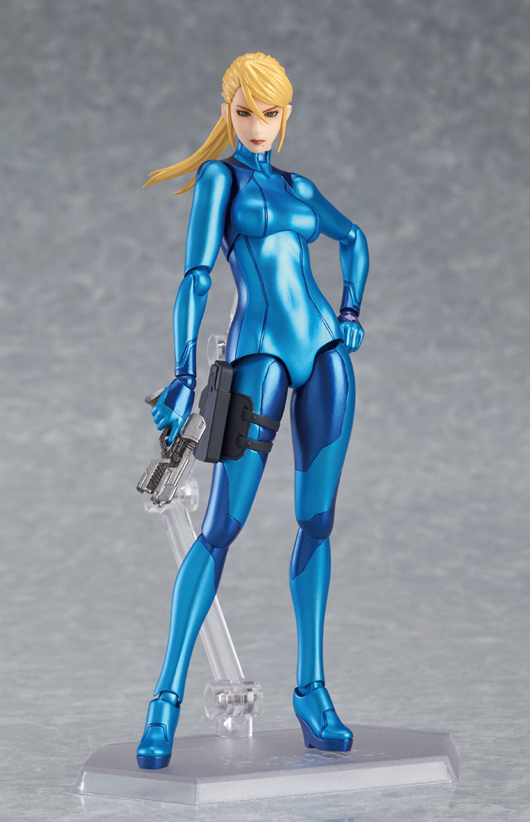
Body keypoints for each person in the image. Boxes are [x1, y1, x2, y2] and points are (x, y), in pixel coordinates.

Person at [137, 52, 369, 769]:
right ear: (227, 111)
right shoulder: (221, 180)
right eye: (246, 111)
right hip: (256, 359)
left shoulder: (300, 188)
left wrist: (351, 309)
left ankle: (312, 691)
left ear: (285, 115)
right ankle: (165, 701)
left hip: (323, 353)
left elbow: (353, 239)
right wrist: (183, 372)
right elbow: (197, 276)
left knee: (317, 521)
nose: (258, 125)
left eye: (270, 113)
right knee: (218, 529)